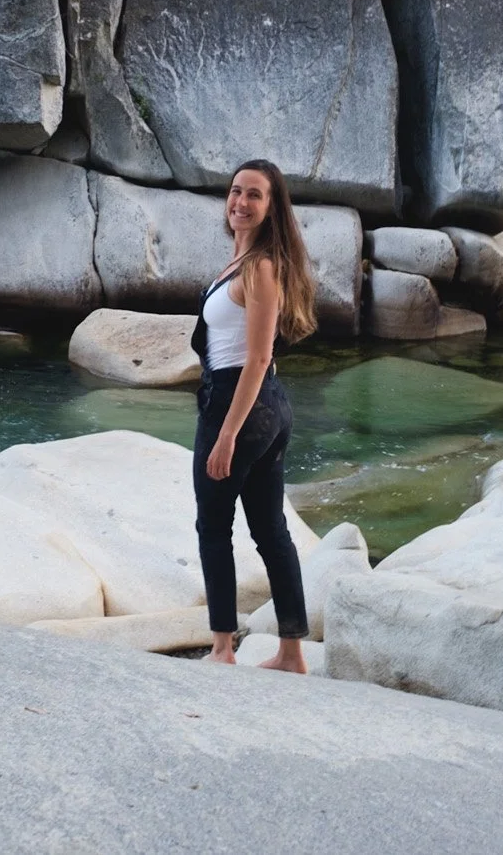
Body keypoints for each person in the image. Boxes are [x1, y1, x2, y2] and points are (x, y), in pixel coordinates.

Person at [191, 159, 317, 671]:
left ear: (272, 208)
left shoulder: (261, 267)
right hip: (264, 405)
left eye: (255, 195)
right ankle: (290, 654)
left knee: (213, 528)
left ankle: (222, 649)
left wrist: (226, 436)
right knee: (269, 530)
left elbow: (259, 356)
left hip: (240, 401)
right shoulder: (238, 261)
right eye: (236, 191)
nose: (241, 202)